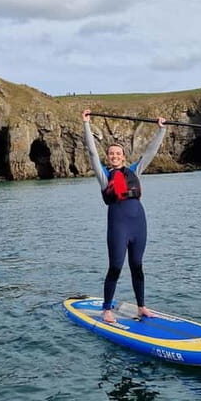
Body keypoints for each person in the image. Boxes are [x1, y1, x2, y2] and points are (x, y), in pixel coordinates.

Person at [82, 109, 167, 324]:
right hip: (118, 226)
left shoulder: (135, 171)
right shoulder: (105, 176)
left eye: (118, 153)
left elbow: (150, 152)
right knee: (116, 266)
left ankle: (141, 307)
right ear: (108, 158)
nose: (114, 156)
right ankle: (106, 309)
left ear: (123, 156)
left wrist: (161, 130)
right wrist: (86, 124)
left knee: (137, 265)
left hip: (139, 224)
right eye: (111, 154)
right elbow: (92, 153)